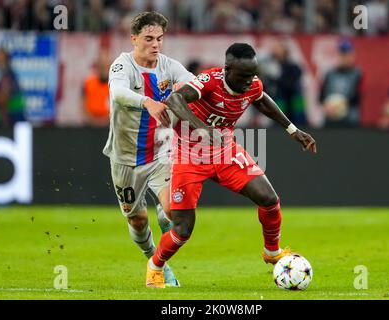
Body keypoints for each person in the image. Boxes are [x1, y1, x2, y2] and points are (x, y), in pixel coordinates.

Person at [146, 43, 317, 288]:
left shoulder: (252, 83)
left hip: (225, 152)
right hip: (189, 155)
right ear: (228, 69)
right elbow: (175, 100)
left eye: (253, 74)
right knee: (183, 229)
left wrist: (292, 129)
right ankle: (155, 266)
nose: (250, 81)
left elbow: (261, 99)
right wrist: (202, 128)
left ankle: (271, 252)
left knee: (269, 199)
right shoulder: (209, 81)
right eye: (244, 75)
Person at [103, 11, 197, 287]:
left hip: (160, 154)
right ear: (134, 39)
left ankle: (160, 267)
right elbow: (118, 93)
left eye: (159, 38)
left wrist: (192, 90)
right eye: (148, 38)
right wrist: (147, 102)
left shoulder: (168, 66)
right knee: (138, 220)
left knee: (174, 211)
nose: (156, 44)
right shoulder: (122, 66)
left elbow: (192, 82)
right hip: (125, 158)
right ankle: (150, 254)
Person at [319, 39, 363, 127]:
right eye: (342, 54)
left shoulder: (357, 74)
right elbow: (321, 96)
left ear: (352, 55)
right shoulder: (330, 73)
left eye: (347, 54)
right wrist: (326, 107)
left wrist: (339, 106)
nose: (344, 57)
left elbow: (358, 96)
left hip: (350, 118)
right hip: (330, 117)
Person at [0, 48, 26, 127]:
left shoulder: (7, 76)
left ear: (7, 60)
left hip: (11, 123)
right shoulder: (4, 76)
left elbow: (2, 99)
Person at [82, 49, 111, 127]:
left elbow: (119, 109)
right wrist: (93, 121)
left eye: (106, 65)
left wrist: (105, 121)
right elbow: (82, 105)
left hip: (109, 126)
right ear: (97, 66)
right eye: (101, 66)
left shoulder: (115, 85)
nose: (104, 69)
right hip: (90, 126)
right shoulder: (88, 82)